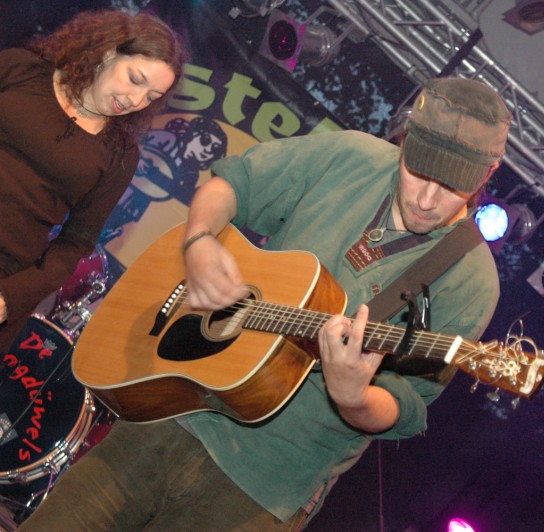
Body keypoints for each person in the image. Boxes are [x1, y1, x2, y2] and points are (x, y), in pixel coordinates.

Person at [20, 77, 511, 530]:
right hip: (171, 410)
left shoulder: (470, 281)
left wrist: (353, 396)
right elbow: (233, 185)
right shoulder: (351, 156)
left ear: (488, 173)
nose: (427, 199)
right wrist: (199, 241)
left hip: (263, 488)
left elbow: (406, 405)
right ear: (406, 140)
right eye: (418, 171)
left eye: (452, 186)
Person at [0, 9, 185, 352]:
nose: (136, 100)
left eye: (151, 97)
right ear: (109, 52)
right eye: (135, 79)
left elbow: (74, 245)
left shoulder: (120, 155)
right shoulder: (20, 69)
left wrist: (10, 298)